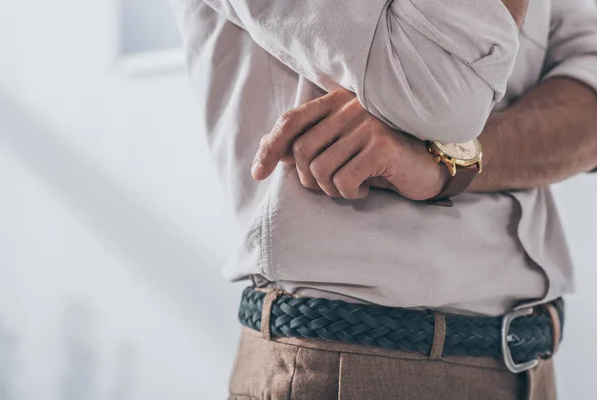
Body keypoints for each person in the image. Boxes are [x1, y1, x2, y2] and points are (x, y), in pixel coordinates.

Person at [172, 0, 597, 398]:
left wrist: (445, 161)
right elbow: (441, 93)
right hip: (345, 362)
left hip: (529, 366)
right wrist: (442, 138)